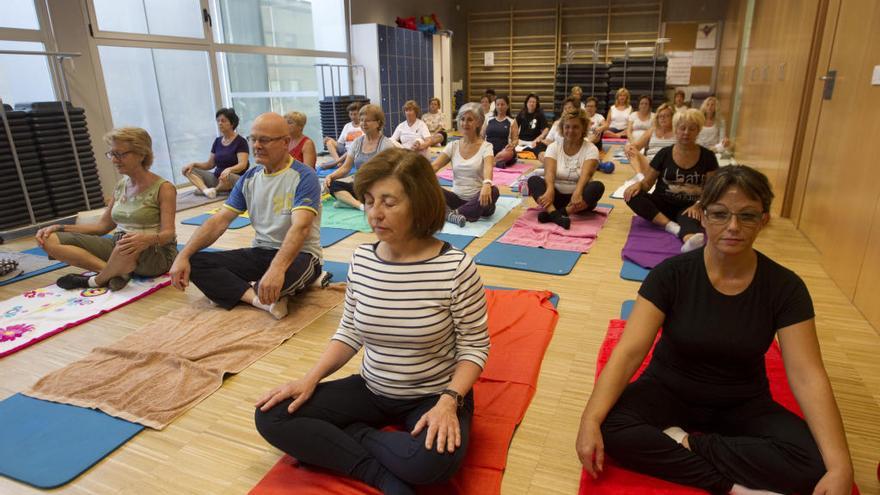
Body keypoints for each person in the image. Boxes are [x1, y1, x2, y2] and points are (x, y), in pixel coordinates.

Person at [577, 165, 853, 495]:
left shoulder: (785, 286)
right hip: (668, 390)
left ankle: (682, 442)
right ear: (703, 217)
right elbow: (630, 351)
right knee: (609, 426)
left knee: (814, 464)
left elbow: (807, 374)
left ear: (763, 221)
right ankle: (733, 487)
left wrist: (840, 466)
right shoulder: (671, 275)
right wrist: (590, 419)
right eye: (720, 214)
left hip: (742, 401)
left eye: (747, 216)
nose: (733, 226)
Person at [254, 147, 490, 495]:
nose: (374, 214)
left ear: (419, 203)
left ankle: (354, 435)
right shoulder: (363, 259)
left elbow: (475, 346)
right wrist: (310, 379)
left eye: (388, 202)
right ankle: (378, 474)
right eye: (368, 201)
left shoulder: (456, 268)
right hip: (372, 387)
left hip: (432, 393)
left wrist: (449, 400)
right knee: (271, 414)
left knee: (432, 462)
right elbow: (349, 330)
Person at [169, 112, 322, 320]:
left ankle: (248, 290)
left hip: (301, 254)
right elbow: (219, 221)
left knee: (278, 280)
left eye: (265, 140)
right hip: (261, 252)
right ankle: (259, 300)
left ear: (285, 142)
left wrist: (277, 269)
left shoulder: (305, 177)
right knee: (195, 262)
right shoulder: (249, 178)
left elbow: (301, 228)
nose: (257, 145)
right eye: (253, 139)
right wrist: (182, 255)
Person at [37, 127, 177, 291]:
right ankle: (114, 273)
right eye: (112, 154)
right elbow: (101, 227)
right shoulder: (120, 186)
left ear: (141, 154)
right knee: (49, 239)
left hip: (155, 253)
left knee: (126, 243)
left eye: (120, 154)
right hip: (119, 246)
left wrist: (146, 239)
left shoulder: (164, 188)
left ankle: (94, 281)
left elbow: (168, 234)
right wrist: (60, 228)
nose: (114, 160)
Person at [623, 109, 719, 253]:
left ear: (698, 130)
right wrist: (638, 184)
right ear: (676, 130)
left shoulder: (708, 157)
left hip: (688, 207)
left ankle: (688, 240)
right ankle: (672, 227)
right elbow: (647, 183)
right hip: (661, 203)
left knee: (691, 223)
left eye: (691, 129)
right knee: (632, 195)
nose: (686, 132)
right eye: (682, 128)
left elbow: (712, 189)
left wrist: (699, 204)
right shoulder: (664, 154)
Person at [527, 108, 605, 230]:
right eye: (567, 127)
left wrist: (578, 192)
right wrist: (549, 190)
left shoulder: (591, 149)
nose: (570, 130)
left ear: (583, 128)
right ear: (562, 128)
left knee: (597, 186)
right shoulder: (553, 147)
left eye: (575, 127)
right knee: (533, 180)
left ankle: (557, 214)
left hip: (578, 201)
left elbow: (586, 175)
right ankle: (555, 213)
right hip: (554, 198)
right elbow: (549, 173)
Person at [432, 103, 499, 227]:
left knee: (494, 190)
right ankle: (457, 213)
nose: (465, 123)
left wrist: (487, 183)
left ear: (478, 122)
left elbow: (488, 167)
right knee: (429, 189)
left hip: (480, 201)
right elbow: (435, 166)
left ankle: (451, 214)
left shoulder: (486, 146)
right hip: (456, 199)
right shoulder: (453, 146)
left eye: (470, 120)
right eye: (462, 119)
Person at [324, 104, 398, 210]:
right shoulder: (357, 142)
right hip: (359, 187)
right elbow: (346, 168)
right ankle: (359, 205)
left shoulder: (386, 144)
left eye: (368, 120)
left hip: (378, 188)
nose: (363, 124)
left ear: (378, 123)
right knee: (332, 185)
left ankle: (348, 201)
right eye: (362, 120)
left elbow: (391, 173)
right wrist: (330, 177)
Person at [182, 108, 249, 199]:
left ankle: (215, 190)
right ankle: (207, 191)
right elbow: (209, 165)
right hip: (216, 178)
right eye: (218, 121)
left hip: (232, 178)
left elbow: (243, 164)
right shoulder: (217, 141)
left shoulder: (241, 141)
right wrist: (193, 164)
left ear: (232, 123)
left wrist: (229, 169)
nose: (220, 123)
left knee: (227, 176)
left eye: (223, 121)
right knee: (187, 170)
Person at [626, 102, 677, 174]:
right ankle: (640, 177)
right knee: (630, 149)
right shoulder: (652, 130)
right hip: (650, 165)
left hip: (669, 166)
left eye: (666, 116)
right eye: (660, 116)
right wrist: (629, 148)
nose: (662, 118)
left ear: (673, 117)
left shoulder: (678, 132)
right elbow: (637, 146)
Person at [321, 102, 364, 170]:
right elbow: (340, 143)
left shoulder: (364, 126)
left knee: (353, 148)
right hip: (345, 151)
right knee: (329, 142)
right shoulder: (347, 126)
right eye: (351, 114)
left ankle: (335, 163)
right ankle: (338, 163)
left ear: (360, 114)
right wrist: (329, 139)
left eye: (355, 114)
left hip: (357, 153)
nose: (353, 117)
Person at [481, 95, 519, 168]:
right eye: (497, 104)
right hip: (489, 150)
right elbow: (481, 136)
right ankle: (496, 163)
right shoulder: (488, 119)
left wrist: (512, 145)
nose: (500, 107)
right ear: (495, 106)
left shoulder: (512, 121)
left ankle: (490, 162)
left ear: (507, 106)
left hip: (503, 152)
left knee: (509, 153)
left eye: (502, 104)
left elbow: (515, 139)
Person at [539, 96, 579, 162]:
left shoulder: (580, 125)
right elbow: (547, 140)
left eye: (570, 108)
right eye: (565, 108)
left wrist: (554, 145)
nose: (567, 110)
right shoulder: (557, 123)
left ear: (576, 110)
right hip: (556, 155)